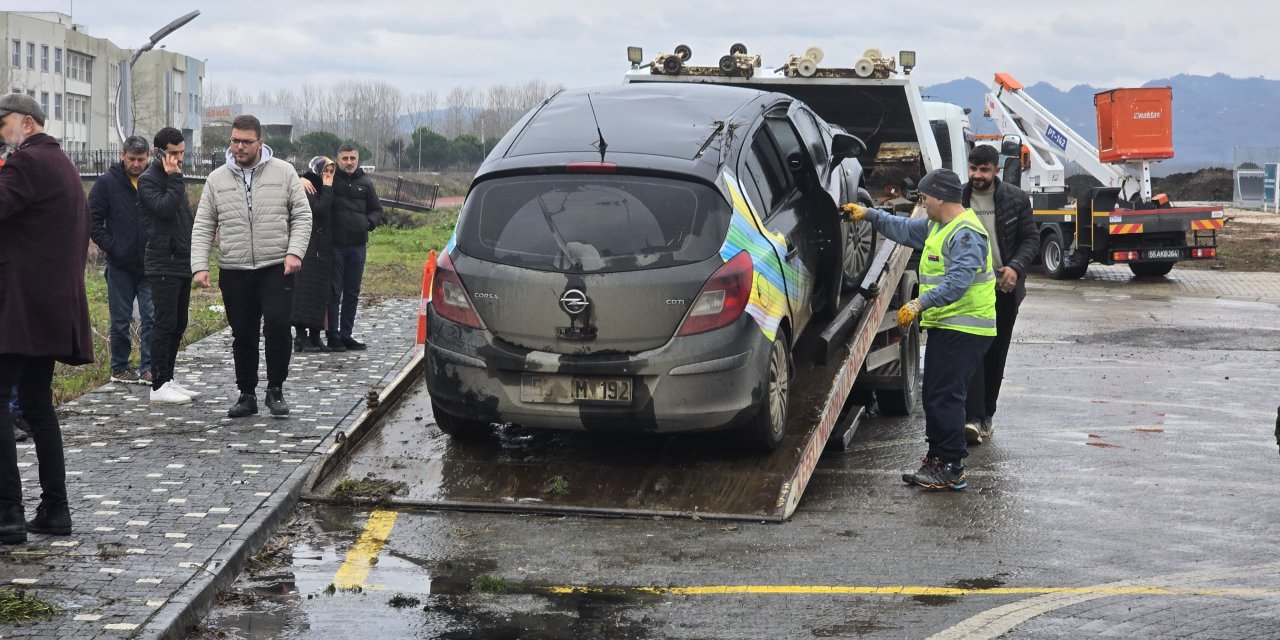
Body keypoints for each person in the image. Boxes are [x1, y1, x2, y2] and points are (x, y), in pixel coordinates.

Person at [842, 168, 996, 491]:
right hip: (947, 326)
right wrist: (869, 214)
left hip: (966, 329)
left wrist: (918, 304)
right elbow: (902, 228)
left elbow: (957, 283)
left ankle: (951, 466)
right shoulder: (937, 226)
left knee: (946, 397)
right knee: (933, 395)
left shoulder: (965, 233)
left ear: (941, 196)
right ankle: (936, 459)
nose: (923, 205)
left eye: (925, 199)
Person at [0, 93, 94, 542]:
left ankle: (7, 515)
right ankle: (55, 510)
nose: (1, 132)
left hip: (20, 310)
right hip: (50, 307)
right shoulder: (61, 164)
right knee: (37, 403)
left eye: (4, 124)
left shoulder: (28, 163)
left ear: (28, 123)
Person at [191, 115, 312, 418]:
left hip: (276, 266)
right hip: (234, 268)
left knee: (277, 326)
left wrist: (295, 252)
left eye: (246, 141)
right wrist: (199, 266)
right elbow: (204, 223)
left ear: (260, 142)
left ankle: (276, 389)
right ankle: (247, 394)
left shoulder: (284, 173)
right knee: (243, 333)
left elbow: (302, 215)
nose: (239, 147)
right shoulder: (216, 179)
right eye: (235, 140)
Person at [961, 145, 1038, 445]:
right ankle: (972, 417)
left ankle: (986, 416)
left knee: (996, 355)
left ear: (996, 170)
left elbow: (1030, 238)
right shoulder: (959, 197)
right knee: (972, 355)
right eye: (973, 169)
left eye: (984, 170)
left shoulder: (1016, 199)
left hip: (1003, 291)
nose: (977, 176)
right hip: (968, 291)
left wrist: (1015, 268)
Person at [138, 127, 201, 404]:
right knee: (164, 324)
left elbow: (183, 219)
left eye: (181, 153)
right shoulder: (148, 180)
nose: (178, 158)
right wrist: (174, 180)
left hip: (181, 260)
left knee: (178, 323)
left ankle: (169, 377)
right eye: (173, 153)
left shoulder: (175, 178)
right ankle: (158, 383)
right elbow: (163, 209)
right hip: (162, 261)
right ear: (158, 152)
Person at [88, 135, 155, 386]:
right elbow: (92, 220)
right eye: (132, 159)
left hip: (150, 263)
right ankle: (120, 366)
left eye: (141, 159)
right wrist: (113, 247)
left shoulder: (154, 182)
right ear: (122, 156)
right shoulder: (107, 184)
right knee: (120, 319)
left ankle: (149, 367)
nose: (136, 164)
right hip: (120, 265)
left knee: (151, 317)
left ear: (148, 157)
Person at [327, 144, 382, 351]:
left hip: (358, 246)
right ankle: (332, 335)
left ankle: (346, 334)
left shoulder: (366, 183)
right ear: (338, 160)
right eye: (345, 159)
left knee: (352, 292)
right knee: (334, 292)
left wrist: (368, 224)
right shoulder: (331, 180)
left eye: (352, 158)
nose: (349, 162)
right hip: (336, 246)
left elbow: (377, 210)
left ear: (357, 160)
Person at [292, 156, 336, 353]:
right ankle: (301, 338)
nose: (328, 175)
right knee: (305, 293)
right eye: (325, 170)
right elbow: (319, 209)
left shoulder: (327, 185)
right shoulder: (308, 184)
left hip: (324, 248)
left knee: (321, 294)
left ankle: (316, 337)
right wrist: (327, 187)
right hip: (310, 248)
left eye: (330, 171)